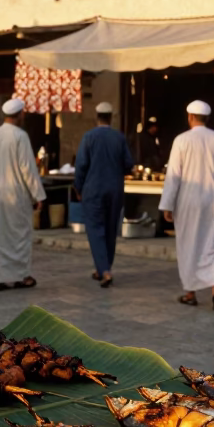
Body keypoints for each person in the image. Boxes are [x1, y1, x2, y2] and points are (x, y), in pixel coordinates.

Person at [159, 100, 214, 311]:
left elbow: (173, 176)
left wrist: (168, 205)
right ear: (207, 118)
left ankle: (190, 293)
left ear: (190, 117)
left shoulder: (181, 140)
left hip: (188, 201)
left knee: (189, 244)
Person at [0, 97, 45, 291]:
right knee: (19, 236)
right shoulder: (20, 136)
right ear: (20, 114)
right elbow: (27, 169)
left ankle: (0, 278)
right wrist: (38, 195)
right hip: (16, 194)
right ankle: (20, 276)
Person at [74, 101, 134, 287]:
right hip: (115, 189)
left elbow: (81, 166)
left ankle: (105, 271)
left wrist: (78, 188)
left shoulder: (89, 137)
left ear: (96, 117)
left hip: (94, 189)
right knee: (110, 229)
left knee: (95, 229)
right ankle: (103, 267)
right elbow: (128, 164)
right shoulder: (119, 138)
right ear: (111, 117)